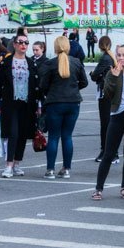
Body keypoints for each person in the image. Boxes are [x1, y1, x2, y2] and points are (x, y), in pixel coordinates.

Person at [93, 44, 124, 199]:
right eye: (119, 55)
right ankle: (98, 189)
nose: (121, 58)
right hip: (117, 116)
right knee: (109, 153)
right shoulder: (112, 73)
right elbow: (108, 94)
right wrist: (113, 76)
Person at [39, 35, 88, 179]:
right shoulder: (76, 62)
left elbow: (43, 85)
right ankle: (66, 169)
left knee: (54, 136)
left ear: (55, 48)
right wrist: (74, 88)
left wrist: (50, 92)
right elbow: (84, 82)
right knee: (67, 136)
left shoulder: (50, 64)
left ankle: (50, 170)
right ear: (68, 47)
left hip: (55, 102)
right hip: (73, 102)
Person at [0, 33, 39, 178]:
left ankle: (17, 163)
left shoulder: (31, 63)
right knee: (12, 133)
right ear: (14, 44)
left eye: (26, 42)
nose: (23, 45)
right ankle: (8, 165)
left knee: (23, 134)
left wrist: (39, 105)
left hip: (27, 104)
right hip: (10, 103)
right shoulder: (5, 63)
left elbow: (36, 86)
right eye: (20, 42)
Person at [90, 36, 116, 163]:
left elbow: (95, 75)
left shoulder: (105, 58)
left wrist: (93, 75)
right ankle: (111, 151)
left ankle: (106, 151)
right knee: (110, 123)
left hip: (105, 94)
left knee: (105, 124)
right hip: (111, 93)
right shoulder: (112, 57)